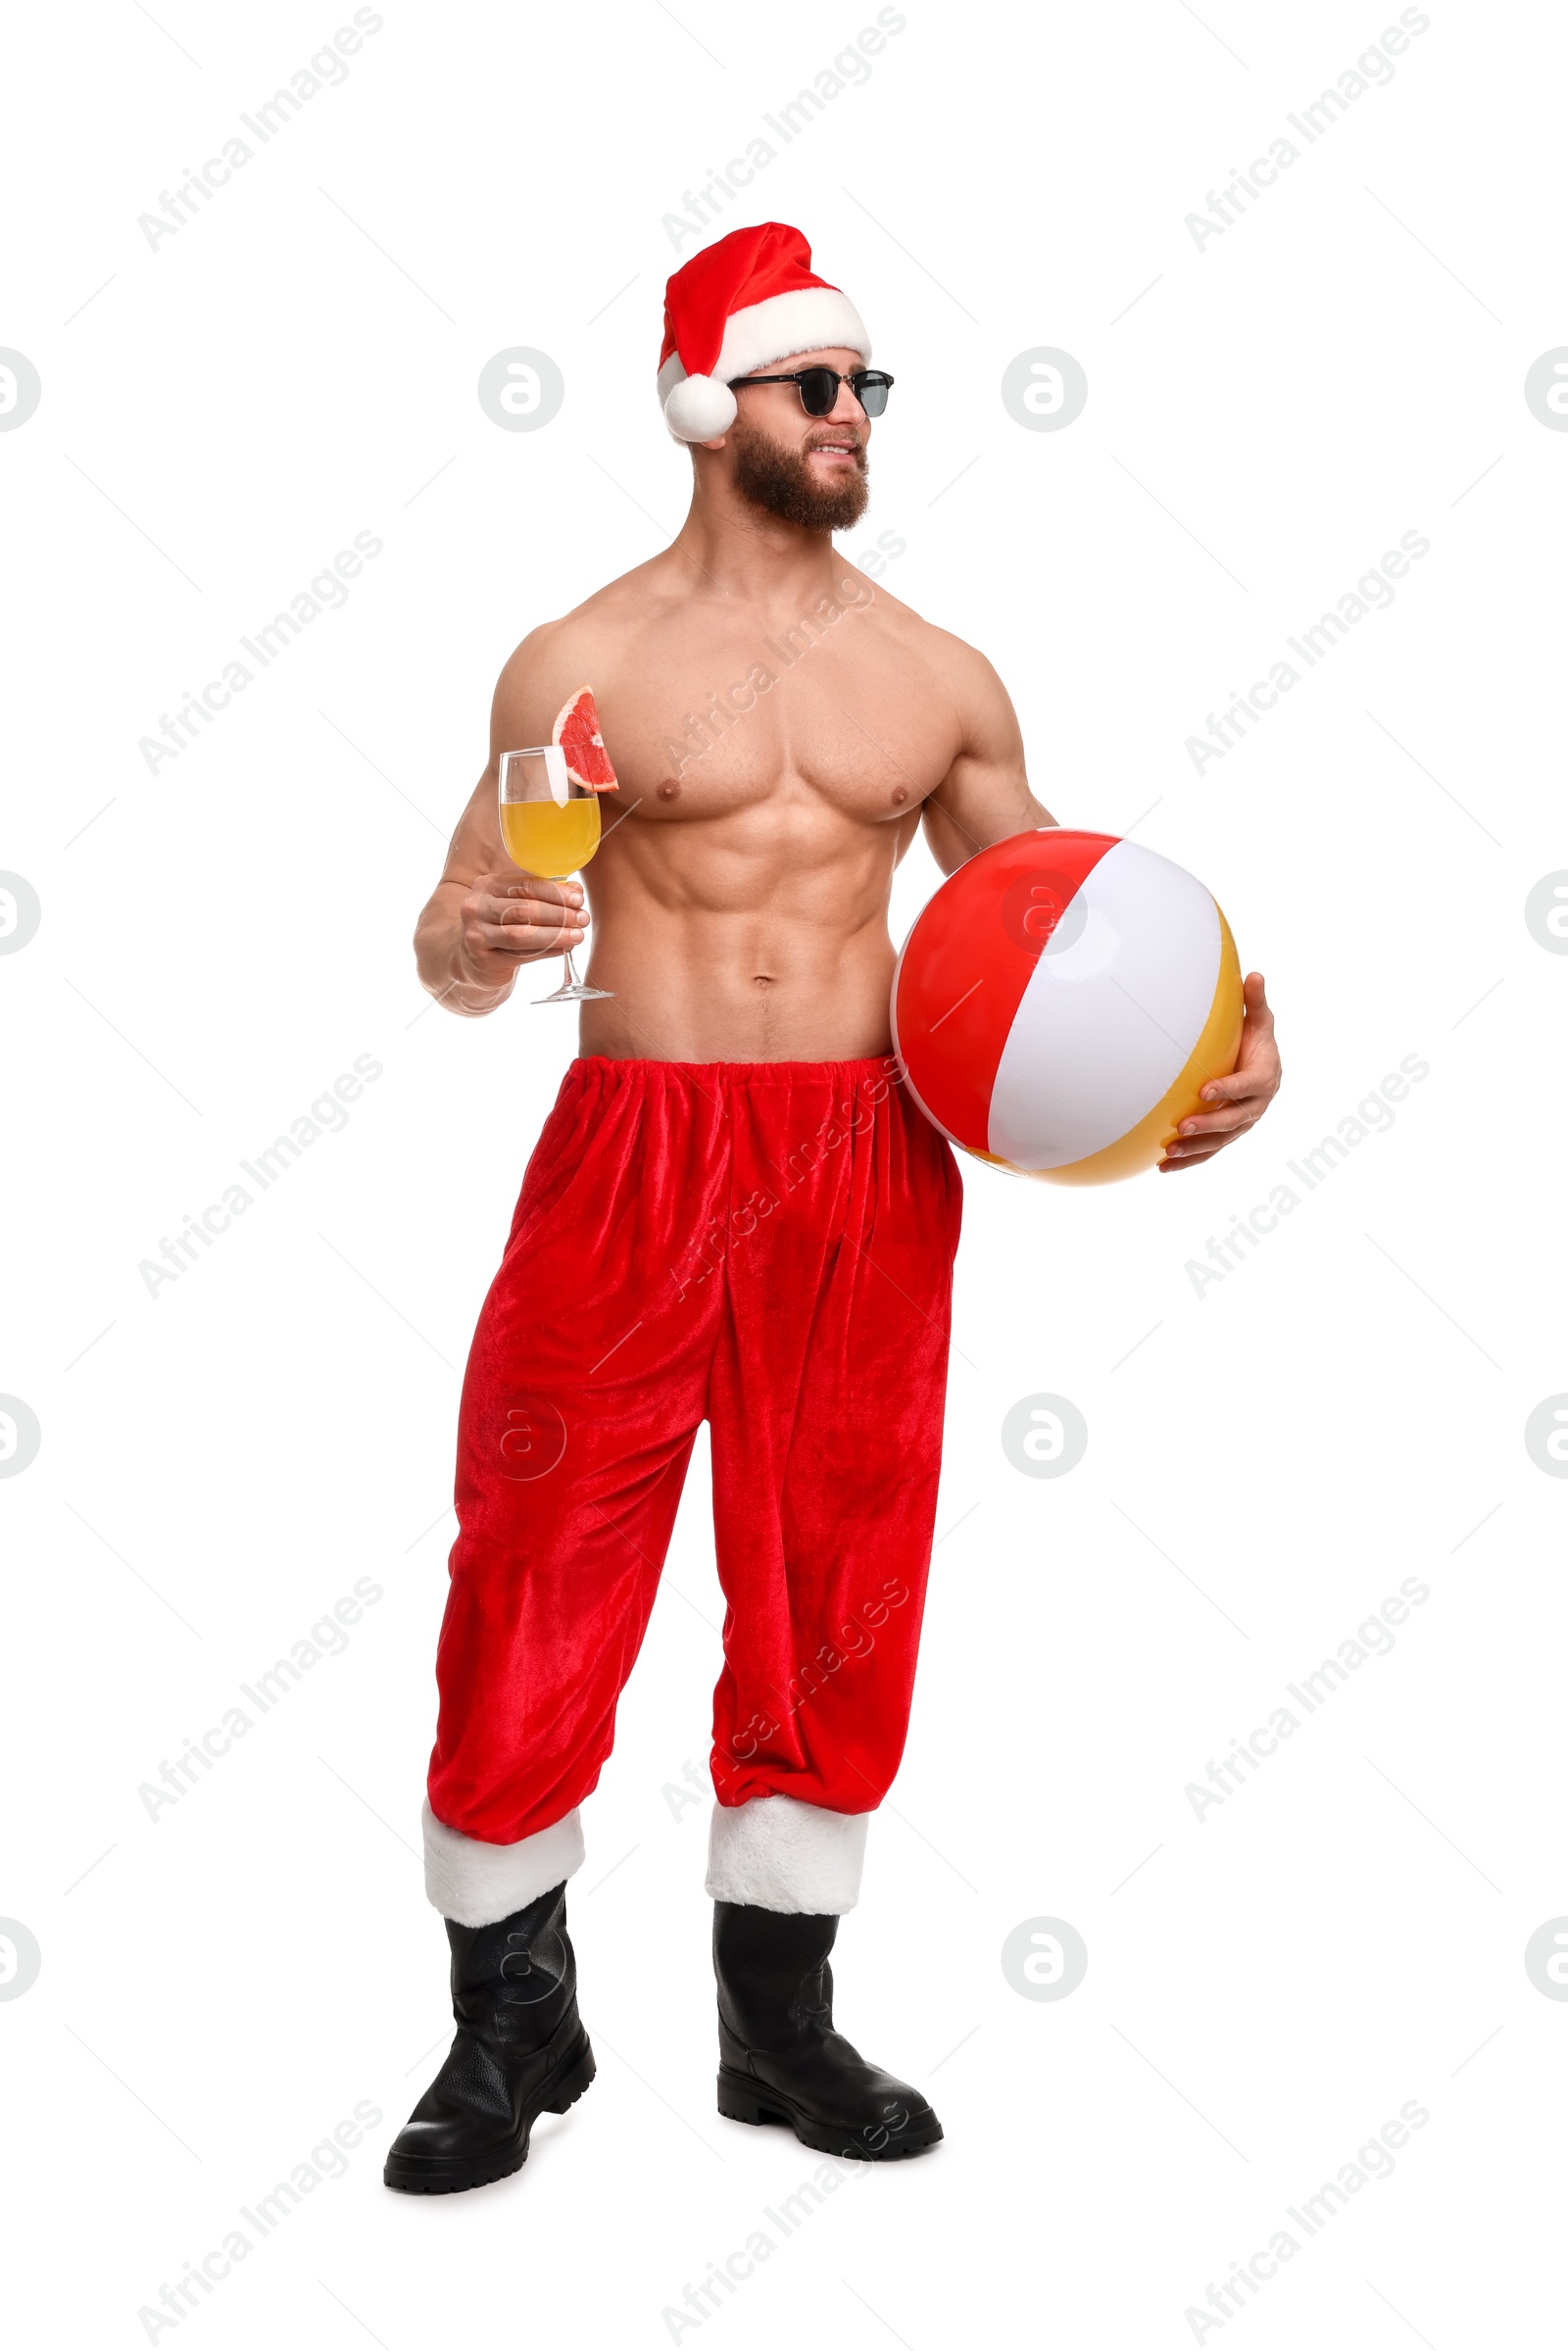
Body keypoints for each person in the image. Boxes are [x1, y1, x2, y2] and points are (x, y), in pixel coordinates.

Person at [383, 221, 1282, 2193]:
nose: (855, 416)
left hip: (858, 1160)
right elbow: (459, 945)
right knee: (535, 1558)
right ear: (713, 410)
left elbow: (1070, 926)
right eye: (820, 387)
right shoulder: (579, 659)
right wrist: (472, 931)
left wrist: (1232, 1030)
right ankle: (510, 2027)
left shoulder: (931, 676)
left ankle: (773, 2034)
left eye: (868, 386)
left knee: (835, 1576)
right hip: (631, 1144)